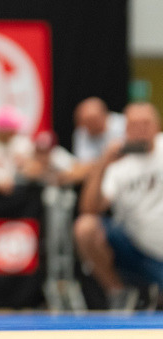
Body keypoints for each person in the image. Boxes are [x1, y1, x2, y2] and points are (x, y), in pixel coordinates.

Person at [74, 102, 163, 309]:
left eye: (146, 123)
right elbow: (89, 209)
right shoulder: (117, 165)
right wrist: (102, 163)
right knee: (85, 226)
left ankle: (150, 295)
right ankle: (118, 292)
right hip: (135, 248)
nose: (140, 129)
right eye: (134, 124)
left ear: (157, 126)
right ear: (125, 129)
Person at [73, 96, 125, 164]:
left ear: (104, 116)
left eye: (92, 120)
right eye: (85, 122)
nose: (89, 125)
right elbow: (83, 162)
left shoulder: (123, 124)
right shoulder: (82, 131)